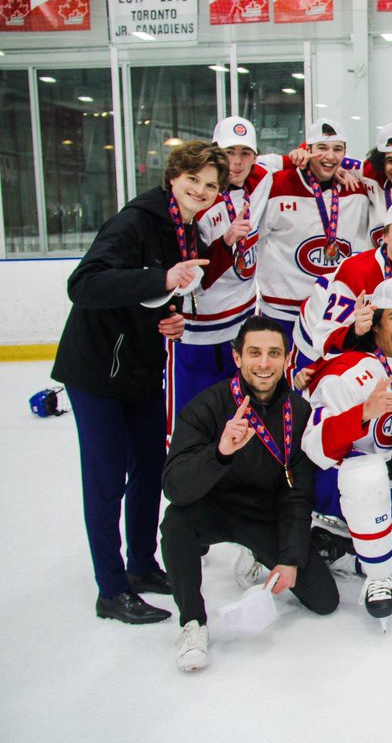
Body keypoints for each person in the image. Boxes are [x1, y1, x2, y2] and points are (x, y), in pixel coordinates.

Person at [52, 140, 227, 625]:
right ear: (174, 177)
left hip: (140, 367)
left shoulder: (184, 226)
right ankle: (111, 590)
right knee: (107, 479)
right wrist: (160, 279)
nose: (201, 191)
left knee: (151, 469)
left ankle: (142, 566)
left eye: (210, 186)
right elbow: (84, 285)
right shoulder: (136, 220)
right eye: (193, 180)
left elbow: (158, 292)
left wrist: (169, 317)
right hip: (96, 371)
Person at [160, 316, 339, 671]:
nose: (263, 363)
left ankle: (257, 553)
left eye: (274, 353)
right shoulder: (206, 406)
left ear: (287, 359)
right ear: (237, 357)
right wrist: (220, 453)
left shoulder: (297, 412)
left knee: (324, 599)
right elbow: (175, 489)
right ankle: (192, 623)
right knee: (176, 522)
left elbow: (296, 493)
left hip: (263, 515)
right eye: (254, 352)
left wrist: (288, 558)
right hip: (212, 507)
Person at [301, 277, 392, 628]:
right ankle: (376, 575)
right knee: (367, 469)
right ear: (375, 323)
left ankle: (335, 549)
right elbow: (314, 445)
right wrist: (360, 415)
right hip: (329, 480)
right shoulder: (352, 370)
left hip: (374, 483)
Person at [165, 117, 277, 442]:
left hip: (239, 327)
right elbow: (192, 278)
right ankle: (185, 490)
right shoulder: (195, 200)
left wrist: (302, 154)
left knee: (239, 421)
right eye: (229, 152)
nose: (238, 162)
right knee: (187, 425)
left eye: (246, 153)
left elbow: (291, 161)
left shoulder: (260, 180)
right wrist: (225, 242)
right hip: (194, 334)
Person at [258, 118, 378, 342]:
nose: (330, 156)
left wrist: (346, 168)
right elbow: (252, 165)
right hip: (281, 309)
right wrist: (288, 160)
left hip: (327, 310)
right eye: (322, 148)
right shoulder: (277, 184)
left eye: (337, 149)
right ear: (307, 149)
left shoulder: (355, 190)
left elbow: (383, 172)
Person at [293, 199, 392, 376]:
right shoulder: (356, 271)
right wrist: (356, 329)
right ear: (384, 236)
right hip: (317, 335)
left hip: (376, 344)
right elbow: (327, 336)